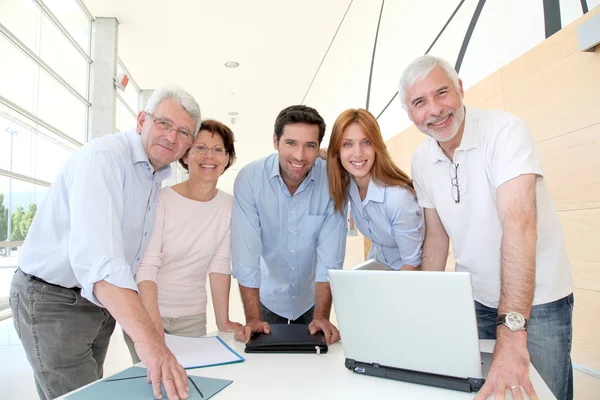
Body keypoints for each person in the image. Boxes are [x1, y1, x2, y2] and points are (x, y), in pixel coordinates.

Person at [399, 55, 573, 400]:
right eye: (420, 102)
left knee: (541, 393)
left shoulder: (505, 131)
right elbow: (436, 237)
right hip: (476, 298)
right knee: (490, 393)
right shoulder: (421, 159)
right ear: (410, 113)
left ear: (460, 89)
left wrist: (511, 332)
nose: (435, 110)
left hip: (539, 300)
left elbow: (519, 226)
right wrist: (427, 307)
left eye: (442, 93)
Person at [10, 86, 201, 400]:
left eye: (183, 132)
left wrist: (154, 341)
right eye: (164, 123)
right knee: (78, 396)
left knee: (92, 389)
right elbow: (102, 262)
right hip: (53, 298)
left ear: (189, 143)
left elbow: (132, 259)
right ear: (142, 121)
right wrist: (151, 345)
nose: (171, 136)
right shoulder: (105, 159)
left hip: (96, 304)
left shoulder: (153, 176)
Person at [124, 120, 242, 363]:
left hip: (192, 317)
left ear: (228, 159)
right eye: (200, 148)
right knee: (154, 385)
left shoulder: (229, 206)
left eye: (218, 149)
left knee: (190, 385)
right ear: (186, 155)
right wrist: (153, 326)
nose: (209, 156)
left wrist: (223, 320)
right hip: (146, 313)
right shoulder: (161, 199)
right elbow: (147, 266)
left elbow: (219, 264)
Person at [231, 105, 347, 344]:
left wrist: (322, 316)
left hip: (311, 299)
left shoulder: (331, 180)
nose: (300, 156)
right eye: (291, 143)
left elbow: (330, 258)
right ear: (276, 140)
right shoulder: (250, 179)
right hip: (268, 298)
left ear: (319, 148)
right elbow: (246, 255)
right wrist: (252, 318)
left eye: (310, 146)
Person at [325, 108, 423, 271]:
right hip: (379, 270)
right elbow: (325, 159)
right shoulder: (350, 185)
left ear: (377, 146)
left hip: (408, 279)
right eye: (347, 144)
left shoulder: (398, 199)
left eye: (367, 142)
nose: (357, 153)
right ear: (337, 151)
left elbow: (413, 265)